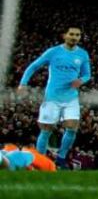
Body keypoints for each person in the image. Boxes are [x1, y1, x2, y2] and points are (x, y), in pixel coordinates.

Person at [17, 25, 91, 169]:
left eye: (78, 35)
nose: (75, 37)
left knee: (72, 128)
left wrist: (80, 81)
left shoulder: (82, 54)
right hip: (51, 97)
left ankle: (61, 158)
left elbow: (87, 74)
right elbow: (33, 66)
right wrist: (23, 84)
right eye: (72, 34)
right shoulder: (53, 52)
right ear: (65, 35)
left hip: (71, 98)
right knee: (46, 130)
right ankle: (39, 160)